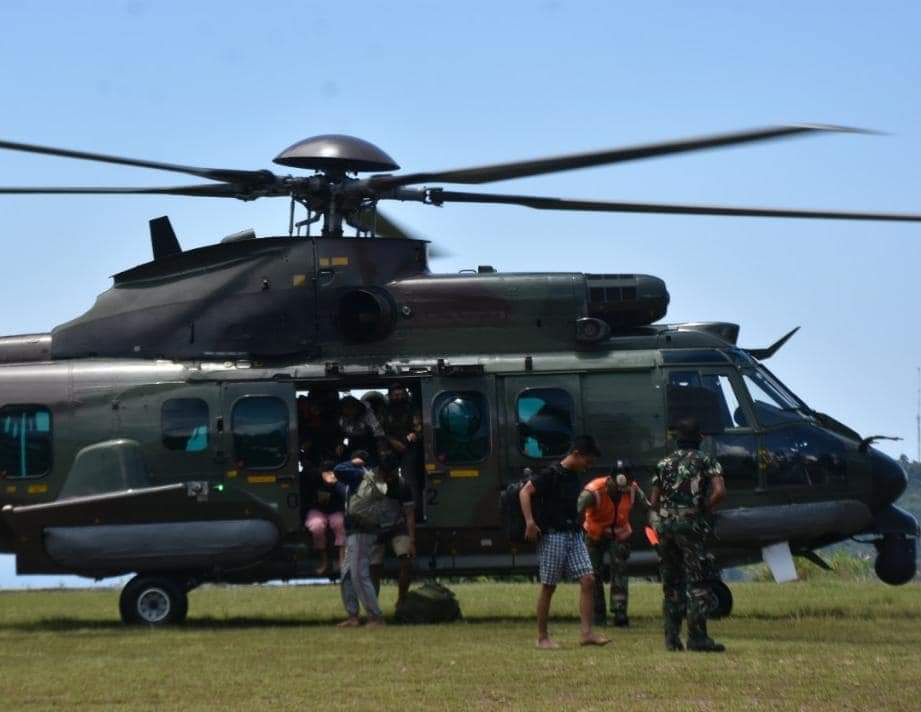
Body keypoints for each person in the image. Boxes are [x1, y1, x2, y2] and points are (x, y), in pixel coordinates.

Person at [519, 435, 611, 649]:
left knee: (588, 579)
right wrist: (530, 522)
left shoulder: (574, 475)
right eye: (587, 461)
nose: (589, 466)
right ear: (576, 454)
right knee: (549, 586)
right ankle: (542, 637)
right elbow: (525, 492)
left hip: (574, 534)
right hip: (553, 536)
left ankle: (587, 634)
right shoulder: (551, 474)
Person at [650, 417, 727, 652]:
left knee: (671, 583)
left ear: (677, 439)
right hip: (691, 526)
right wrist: (703, 509)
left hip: (665, 526)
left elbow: (653, 500)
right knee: (698, 581)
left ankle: (672, 640)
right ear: (700, 438)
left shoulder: (663, 463)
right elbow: (720, 491)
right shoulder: (706, 461)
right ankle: (697, 638)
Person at [322, 452, 403, 628]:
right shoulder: (378, 481)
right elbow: (347, 492)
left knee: (359, 574)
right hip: (357, 530)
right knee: (348, 575)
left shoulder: (362, 475)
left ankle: (376, 617)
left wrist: (353, 462)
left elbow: (338, 469)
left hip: (361, 531)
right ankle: (353, 616)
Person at [577, 460, 638, 627]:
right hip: (594, 535)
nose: (621, 493)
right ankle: (598, 615)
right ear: (611, 480)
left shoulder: (632, 488)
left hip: (620, 535)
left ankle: (620, 613)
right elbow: (575, 509)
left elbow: (648, 507)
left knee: (620, 572)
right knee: (592, 574)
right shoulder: (593, 491)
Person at [369, 465, 416, 607]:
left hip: (397, 526)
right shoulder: (369, 486)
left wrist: (412, 540)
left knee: (406, 561)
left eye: (391, 475)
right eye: (386, 476)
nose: (389, 479)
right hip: (376, 528)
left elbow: (409, 514)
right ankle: (373, 606)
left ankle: (402, 599)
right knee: (373, 568)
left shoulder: (402, 486)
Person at [381, 382, 424, 510]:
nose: (398, 397)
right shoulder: (384, 410)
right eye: (395, 395)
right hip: (389, 449)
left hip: (409, 448)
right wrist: (392, 442)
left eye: (400, 394)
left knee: (410, 481)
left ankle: (414, 514)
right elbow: (379, 431)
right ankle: (393, 514)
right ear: (390, 396)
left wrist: (414, 434)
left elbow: (419, 428)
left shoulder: (412, 408)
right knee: (388, 481)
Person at [303, 457, 346, 575]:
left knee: (340, 524)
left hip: (336, 510)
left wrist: (336, 483)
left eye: (332, 472)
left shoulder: (340, 481)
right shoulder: (314, 479)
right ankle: (324, 562)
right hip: (318, 510)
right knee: (317, 526)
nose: (329, 475)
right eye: (326, 472)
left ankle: (342, 562)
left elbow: (346, 495)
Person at [339, 395, 386, 465]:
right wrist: (341, 444)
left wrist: (382, 452)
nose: (348, 411)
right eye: (345, 409)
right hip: (352, 444)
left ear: (356, 407)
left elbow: (379, 433)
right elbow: (343, 434)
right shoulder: (343, 417)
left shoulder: (368, 415)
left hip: (368, 445)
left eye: (350, 408)